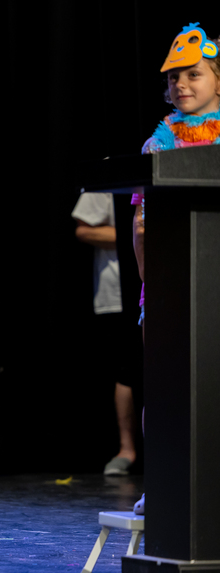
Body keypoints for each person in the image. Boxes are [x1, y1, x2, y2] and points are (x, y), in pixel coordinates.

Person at [131, 22, 220, 515]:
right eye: (173, 79)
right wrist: (148, 272)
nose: (181, 85)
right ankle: (162, 479)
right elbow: (140, 221)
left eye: (194, 75)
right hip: (169, 281)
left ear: (218, 80)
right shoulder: (157, 144)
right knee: (165, 385)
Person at [71, 193, 139, 475]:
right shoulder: (110, 185)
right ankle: (127, 448)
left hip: (164, 284)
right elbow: (84, 228)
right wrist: (130, 235)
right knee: (128, 368)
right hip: (118, 292)